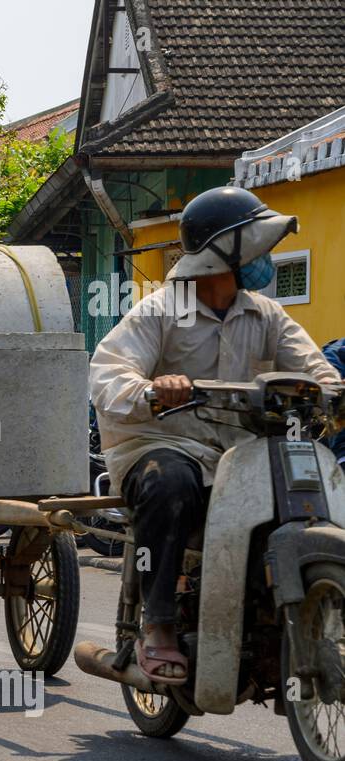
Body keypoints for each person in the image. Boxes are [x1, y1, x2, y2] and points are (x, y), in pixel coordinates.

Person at [90, 186, 340, 685]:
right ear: (222, 254)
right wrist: (154, 390)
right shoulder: (161, 309)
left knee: (304, 492)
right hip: (158, 446)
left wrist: (333, 395)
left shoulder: (265, 314)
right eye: (256, 247)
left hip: (238, 455)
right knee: (171, 482)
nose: (263, 259)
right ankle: (158, 625)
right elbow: (106, 375)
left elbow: (316, 372)